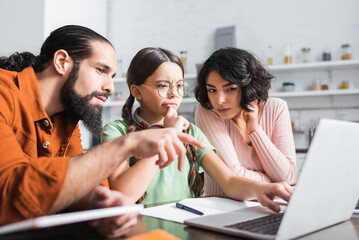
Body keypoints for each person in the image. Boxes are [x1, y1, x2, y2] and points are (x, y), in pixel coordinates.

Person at [0, 25, 205, 238]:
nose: (110, 87)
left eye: (112, 75)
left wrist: (99, 201)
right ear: (62, 62)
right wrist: (126, 144)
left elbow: (80, 182)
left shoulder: (67, 118)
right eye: (101, 70)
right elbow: (10, 191)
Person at [102, 47, 293, 213]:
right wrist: (168, 135)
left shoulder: (190, 131)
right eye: (162, 86)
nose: (174, 94)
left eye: (179, 86)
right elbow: (123, 194)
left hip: (183, 225)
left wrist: (259, 189)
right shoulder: (116, 132)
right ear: (137, 91)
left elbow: (229, 181)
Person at [194, 47, 297, 197]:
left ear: (248, 86)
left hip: (265, 207)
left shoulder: (276, 108)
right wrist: (274, 182)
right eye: (212, 90)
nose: (219, 100)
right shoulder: (207, 112)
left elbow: (288, 176)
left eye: (230, 89)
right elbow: (233, 175)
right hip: (219, 207)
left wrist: (255, 130)